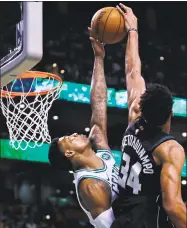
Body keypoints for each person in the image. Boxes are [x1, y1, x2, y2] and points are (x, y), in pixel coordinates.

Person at [111, 3, 187, 228]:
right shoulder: (170, 149)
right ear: (170, 114)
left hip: (120, 219)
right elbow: (173, 206)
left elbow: (132, 69)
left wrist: (132, 31)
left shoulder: (134, 116)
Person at [48, 29, 119, 228]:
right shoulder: (90, 187)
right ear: (69, 153)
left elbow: (98, 102)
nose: (74, 133)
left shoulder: (102, 155)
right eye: (69, 138)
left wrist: (99, 57)